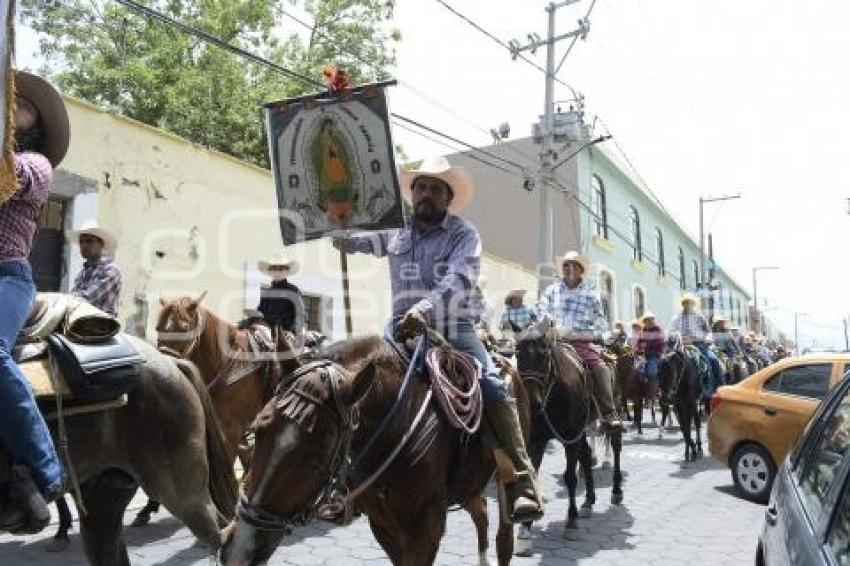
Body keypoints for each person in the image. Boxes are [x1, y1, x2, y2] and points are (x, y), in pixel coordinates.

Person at [335, 155, 543, 522]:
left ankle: (523, 483)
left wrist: (425, 308)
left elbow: (459, 278)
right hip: (398, 331)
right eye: (421, 188)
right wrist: (343, 237)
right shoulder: (397, 230)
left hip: (452, 330)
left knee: (494, 386)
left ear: (448, 198)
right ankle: (345, 480)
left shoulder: (464, 234)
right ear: (413, 194)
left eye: (435, 188)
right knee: (356, 384)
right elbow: (365, 242)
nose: (426, 194)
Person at [0, 71, 69, 532]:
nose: (12, 107)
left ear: (36, 122)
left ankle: (46, 469)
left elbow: (9, 174)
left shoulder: (36, 165)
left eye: (20, 105)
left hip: (7, 277)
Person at [537, 251, 622, 431]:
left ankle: (608, 412)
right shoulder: (552, 290)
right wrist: (547, 321)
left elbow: (600, 322)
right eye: (566, 265)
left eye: (573, 265)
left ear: (580, 270)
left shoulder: (590, 296)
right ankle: (525, 408)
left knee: (601, 368)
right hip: (551, 340)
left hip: (578, 342)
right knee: (527, 363)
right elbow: (542, 309)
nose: (568, 268)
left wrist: (579, 334)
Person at [669, 292, 724, 388]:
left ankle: (719, 387)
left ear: (693, 304)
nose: (687, 304)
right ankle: (666, 391)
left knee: (713, 360)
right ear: (682, 304)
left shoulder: (700, 317)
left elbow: (708, 332)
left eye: (690, 302)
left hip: (698, 345)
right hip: (680, 346)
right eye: (685, 302)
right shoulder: (676, 318)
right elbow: (671, 331)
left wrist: (706, 339)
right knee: (666, 363)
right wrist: (675, 336)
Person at [69, 221, 122, 316]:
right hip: (83, 322)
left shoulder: (111, 271)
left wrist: (64, 300)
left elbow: (87, 298)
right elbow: (73, 298)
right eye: (81, 242)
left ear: (100, 244)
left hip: (103, 327)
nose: (84, 246)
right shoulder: (83, 272)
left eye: (89, 241)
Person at [256, 255, 305, 335]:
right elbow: (260, 311)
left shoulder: (293, 290)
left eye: (281, 269)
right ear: (270, 271)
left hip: (286, 333)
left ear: (287, 271)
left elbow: (300, 314)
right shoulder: (266, 293)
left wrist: (293, 331)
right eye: (274, 269)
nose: (277, 272)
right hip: (267, 332)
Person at [636, 312, 665, 384]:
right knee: (634, 369)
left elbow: (660, 342)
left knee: (652, 371)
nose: (649, 322)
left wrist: (646, 346)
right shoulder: (643, 331)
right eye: (647, 320)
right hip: (644, 355)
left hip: (655, 354)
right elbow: (639, 343)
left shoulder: (658, 329)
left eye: (651, 320)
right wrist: (638, 348)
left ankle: (653, 390)